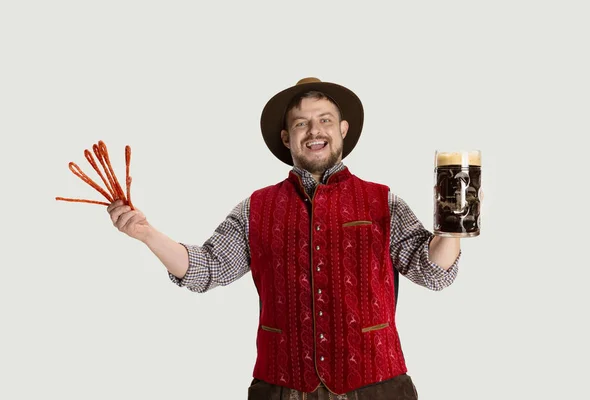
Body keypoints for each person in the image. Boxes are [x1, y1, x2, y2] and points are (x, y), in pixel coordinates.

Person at [107, 77, 462, 400]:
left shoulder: (383, 201)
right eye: (300, 123)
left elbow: (432, 272)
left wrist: (453, 223)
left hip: (378, 388)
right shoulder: (255, 208)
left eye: (324, 119)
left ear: (342, 129)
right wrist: (146, 234)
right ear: (286, 137)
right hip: (281, 390)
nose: (314, 130)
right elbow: (207, 269)